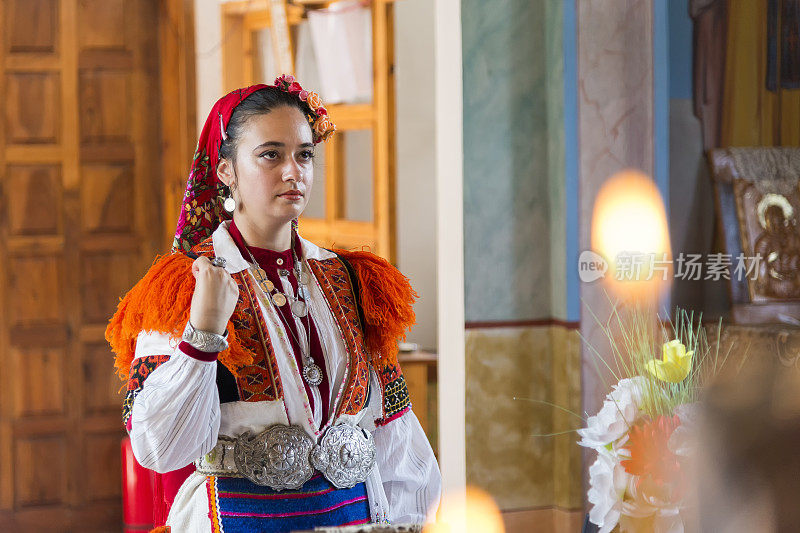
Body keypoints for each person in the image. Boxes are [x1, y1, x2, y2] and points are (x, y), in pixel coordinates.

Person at [106, 76, 441, 532]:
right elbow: (160, 448)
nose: (293, 171)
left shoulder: (354, 280)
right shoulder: (182, 287)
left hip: (358, 518)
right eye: (270, 154)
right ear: (226, 171)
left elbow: (394, 435)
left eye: (304, 154)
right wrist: (203, 334)